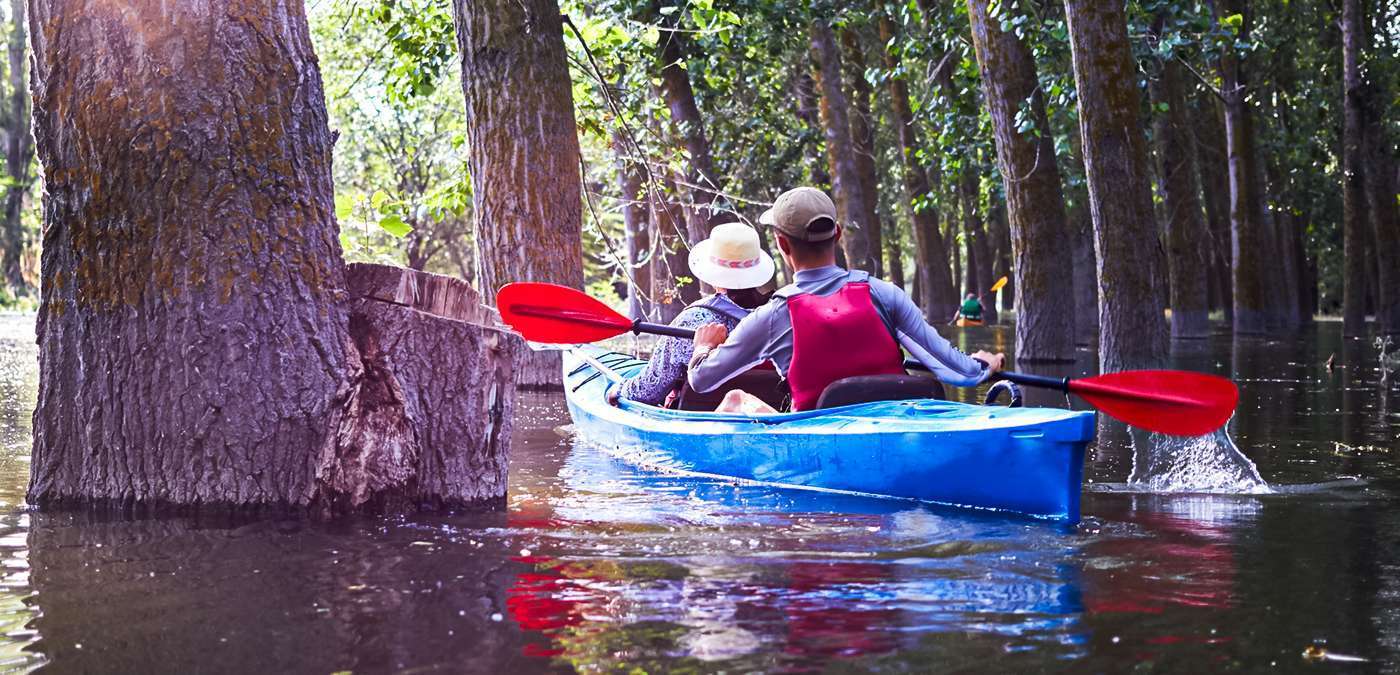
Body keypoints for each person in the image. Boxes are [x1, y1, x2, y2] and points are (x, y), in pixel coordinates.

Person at [687, 187, 1005, 413]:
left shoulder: (773, 316)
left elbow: (702, 380)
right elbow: (959, 372)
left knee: (736, 400)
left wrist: (703, 348)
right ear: (838, 234)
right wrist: (984, 365)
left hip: (817, 447)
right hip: (893, 435)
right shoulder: (885, 294)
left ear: (782, 243)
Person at [612, 221, 775, 406]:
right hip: (770, 413)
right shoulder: (779, 315)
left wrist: (620, 389)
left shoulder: (693, 320)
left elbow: (650, 389)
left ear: (713, 273)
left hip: (700, 420)